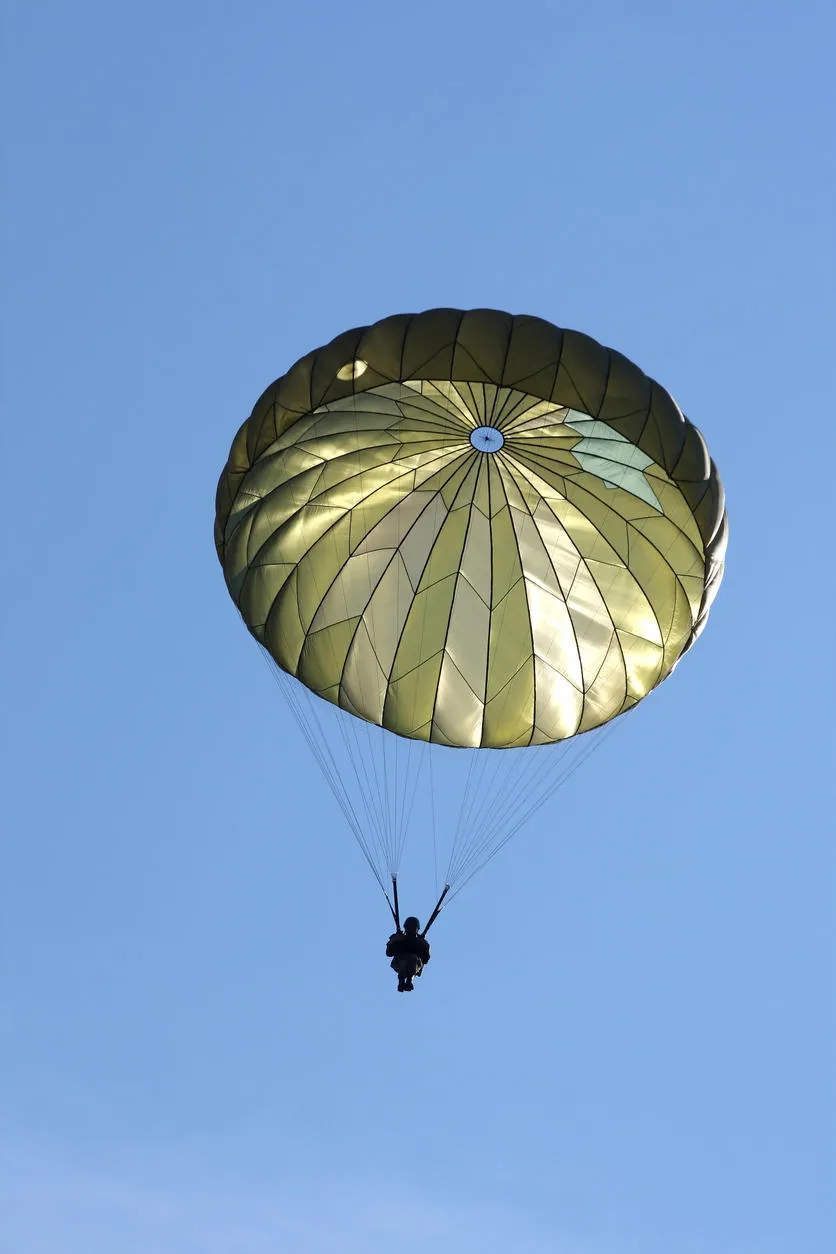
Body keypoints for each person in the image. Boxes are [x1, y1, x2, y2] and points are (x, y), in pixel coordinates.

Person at [386, 917, 431, 991]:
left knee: (412, 958)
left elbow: (426, 959)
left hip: (414, 964)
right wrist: (394, 941)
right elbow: (389, 953)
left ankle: (409, 981)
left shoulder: (420, 942)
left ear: (417, 929)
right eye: (409, 927)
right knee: (405, 960)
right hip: (399, 962)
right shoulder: (399, 938)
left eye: (413, 928)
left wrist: (424, 945)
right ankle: (401, 981)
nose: (411, 930)